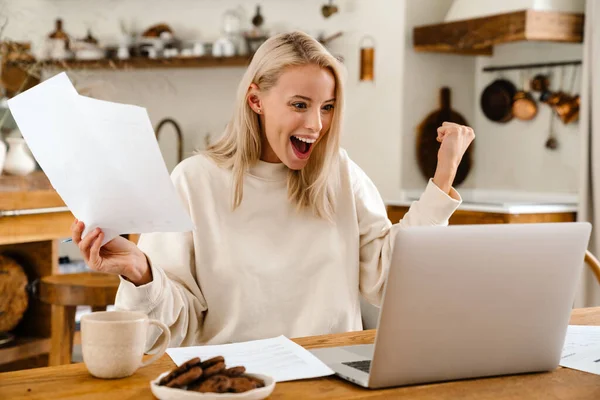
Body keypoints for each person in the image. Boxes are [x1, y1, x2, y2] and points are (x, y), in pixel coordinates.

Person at [71, 31, 474, 352]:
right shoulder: (194, 181)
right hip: (233, 382)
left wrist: (443, 179)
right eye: (300, 105)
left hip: (329, 378)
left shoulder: (340, 174)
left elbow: (391, 280)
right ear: (256, 100)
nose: (316, 124)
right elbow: (170, 329)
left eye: (328, 107)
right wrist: (140, 271)